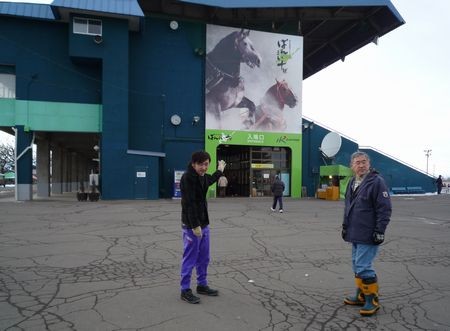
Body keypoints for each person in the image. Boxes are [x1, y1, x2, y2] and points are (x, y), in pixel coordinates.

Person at [342, 151, 392, 316]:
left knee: (364, 267)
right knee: (357, 266)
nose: (361, 165)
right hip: (355, 231)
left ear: (369, 164)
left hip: (369, 233)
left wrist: (380, 230)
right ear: (352, 166)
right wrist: (345, 226)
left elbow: (384, 209)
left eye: (364, 162)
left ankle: (373, 300)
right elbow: (348, 207)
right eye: (357, 162)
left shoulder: (377, 182)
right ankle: (361, 295)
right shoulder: (351, 182)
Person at [179, 151, 226, 304]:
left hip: (204, 223)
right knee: (190, 258)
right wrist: (194, 226)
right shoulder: (187, 178)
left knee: (204, 257)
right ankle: (185, 289)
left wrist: (219, 170)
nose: (204, 167)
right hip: (192, 226)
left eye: (206, 164)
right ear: (193, 164)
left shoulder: (202, 177)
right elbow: (189, 203)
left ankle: (202, 285)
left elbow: (211, 179)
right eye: (201, 164)